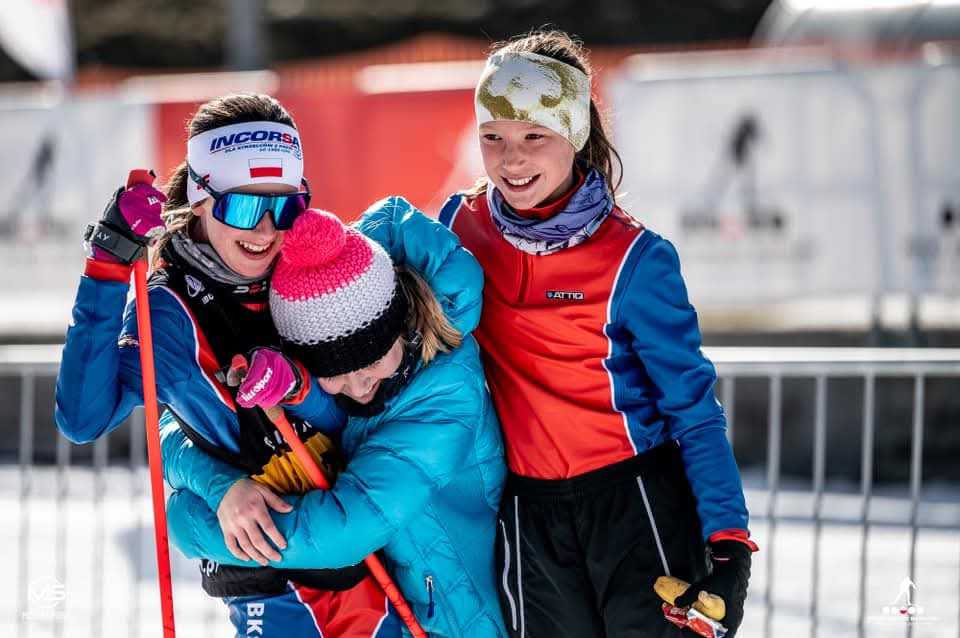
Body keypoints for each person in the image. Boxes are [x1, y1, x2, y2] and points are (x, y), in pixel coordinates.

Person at [54, 93, 446, 637]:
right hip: (275, 573)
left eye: (285, 207)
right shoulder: (169, 311)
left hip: (372, 545)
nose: (265, 232)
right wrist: (107, 266)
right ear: (200, 199)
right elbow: (83, 417)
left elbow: (367, 403)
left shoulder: (310, 265)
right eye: (242, 208)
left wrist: (301, 388)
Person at [426, 30, 757, 637]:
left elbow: (694, 412)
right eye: (493, 137)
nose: (511, 159)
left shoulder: (636, 258)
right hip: (528, 511)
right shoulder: (458, 229)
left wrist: (730, 546)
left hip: (635, 505)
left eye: (534, 136)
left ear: (574, 134)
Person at [161, 205, 509, 637]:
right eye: (335, 372)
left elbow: (345, 530)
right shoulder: (319, 371)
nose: (359, 386)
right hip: (393, 610)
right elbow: (176, 430)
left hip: (464, 616)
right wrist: (222, 487)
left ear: (399, 326)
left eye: (373, 360)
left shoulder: (444, 394)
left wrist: (194, 526)